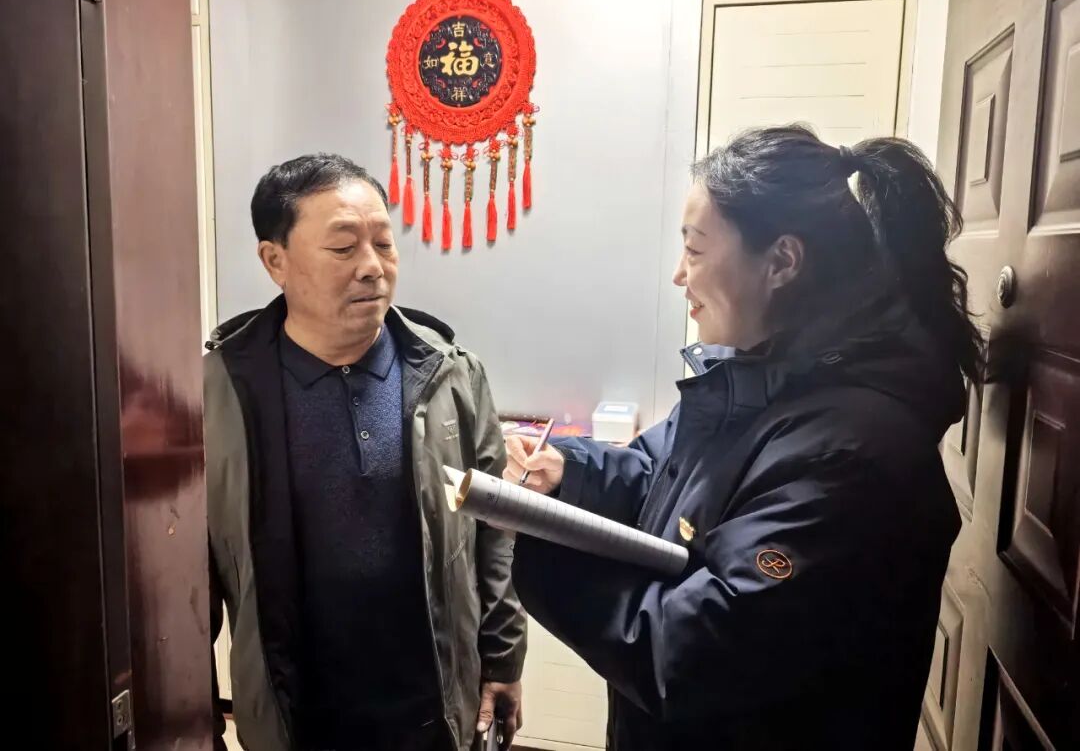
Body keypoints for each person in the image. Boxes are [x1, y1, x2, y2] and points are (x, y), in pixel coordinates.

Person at [506, 125, 978, 750]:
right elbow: (660, 474)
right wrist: (566, 472)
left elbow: (686, 651)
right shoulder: (756, 379)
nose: (679, 275)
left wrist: (535, 548)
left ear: (781, 262)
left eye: (696, 250)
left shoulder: (853, 456)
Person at [205, 154, 526, 751]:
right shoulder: (218, 391)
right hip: (297, 719)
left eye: (383, 243)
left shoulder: (452, 375)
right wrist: (190, 711)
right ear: (275, 261)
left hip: (432, 711)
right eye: (343, 247)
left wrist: (504, 658)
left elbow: (495, 531)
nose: (373, 267)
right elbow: (191, 578)